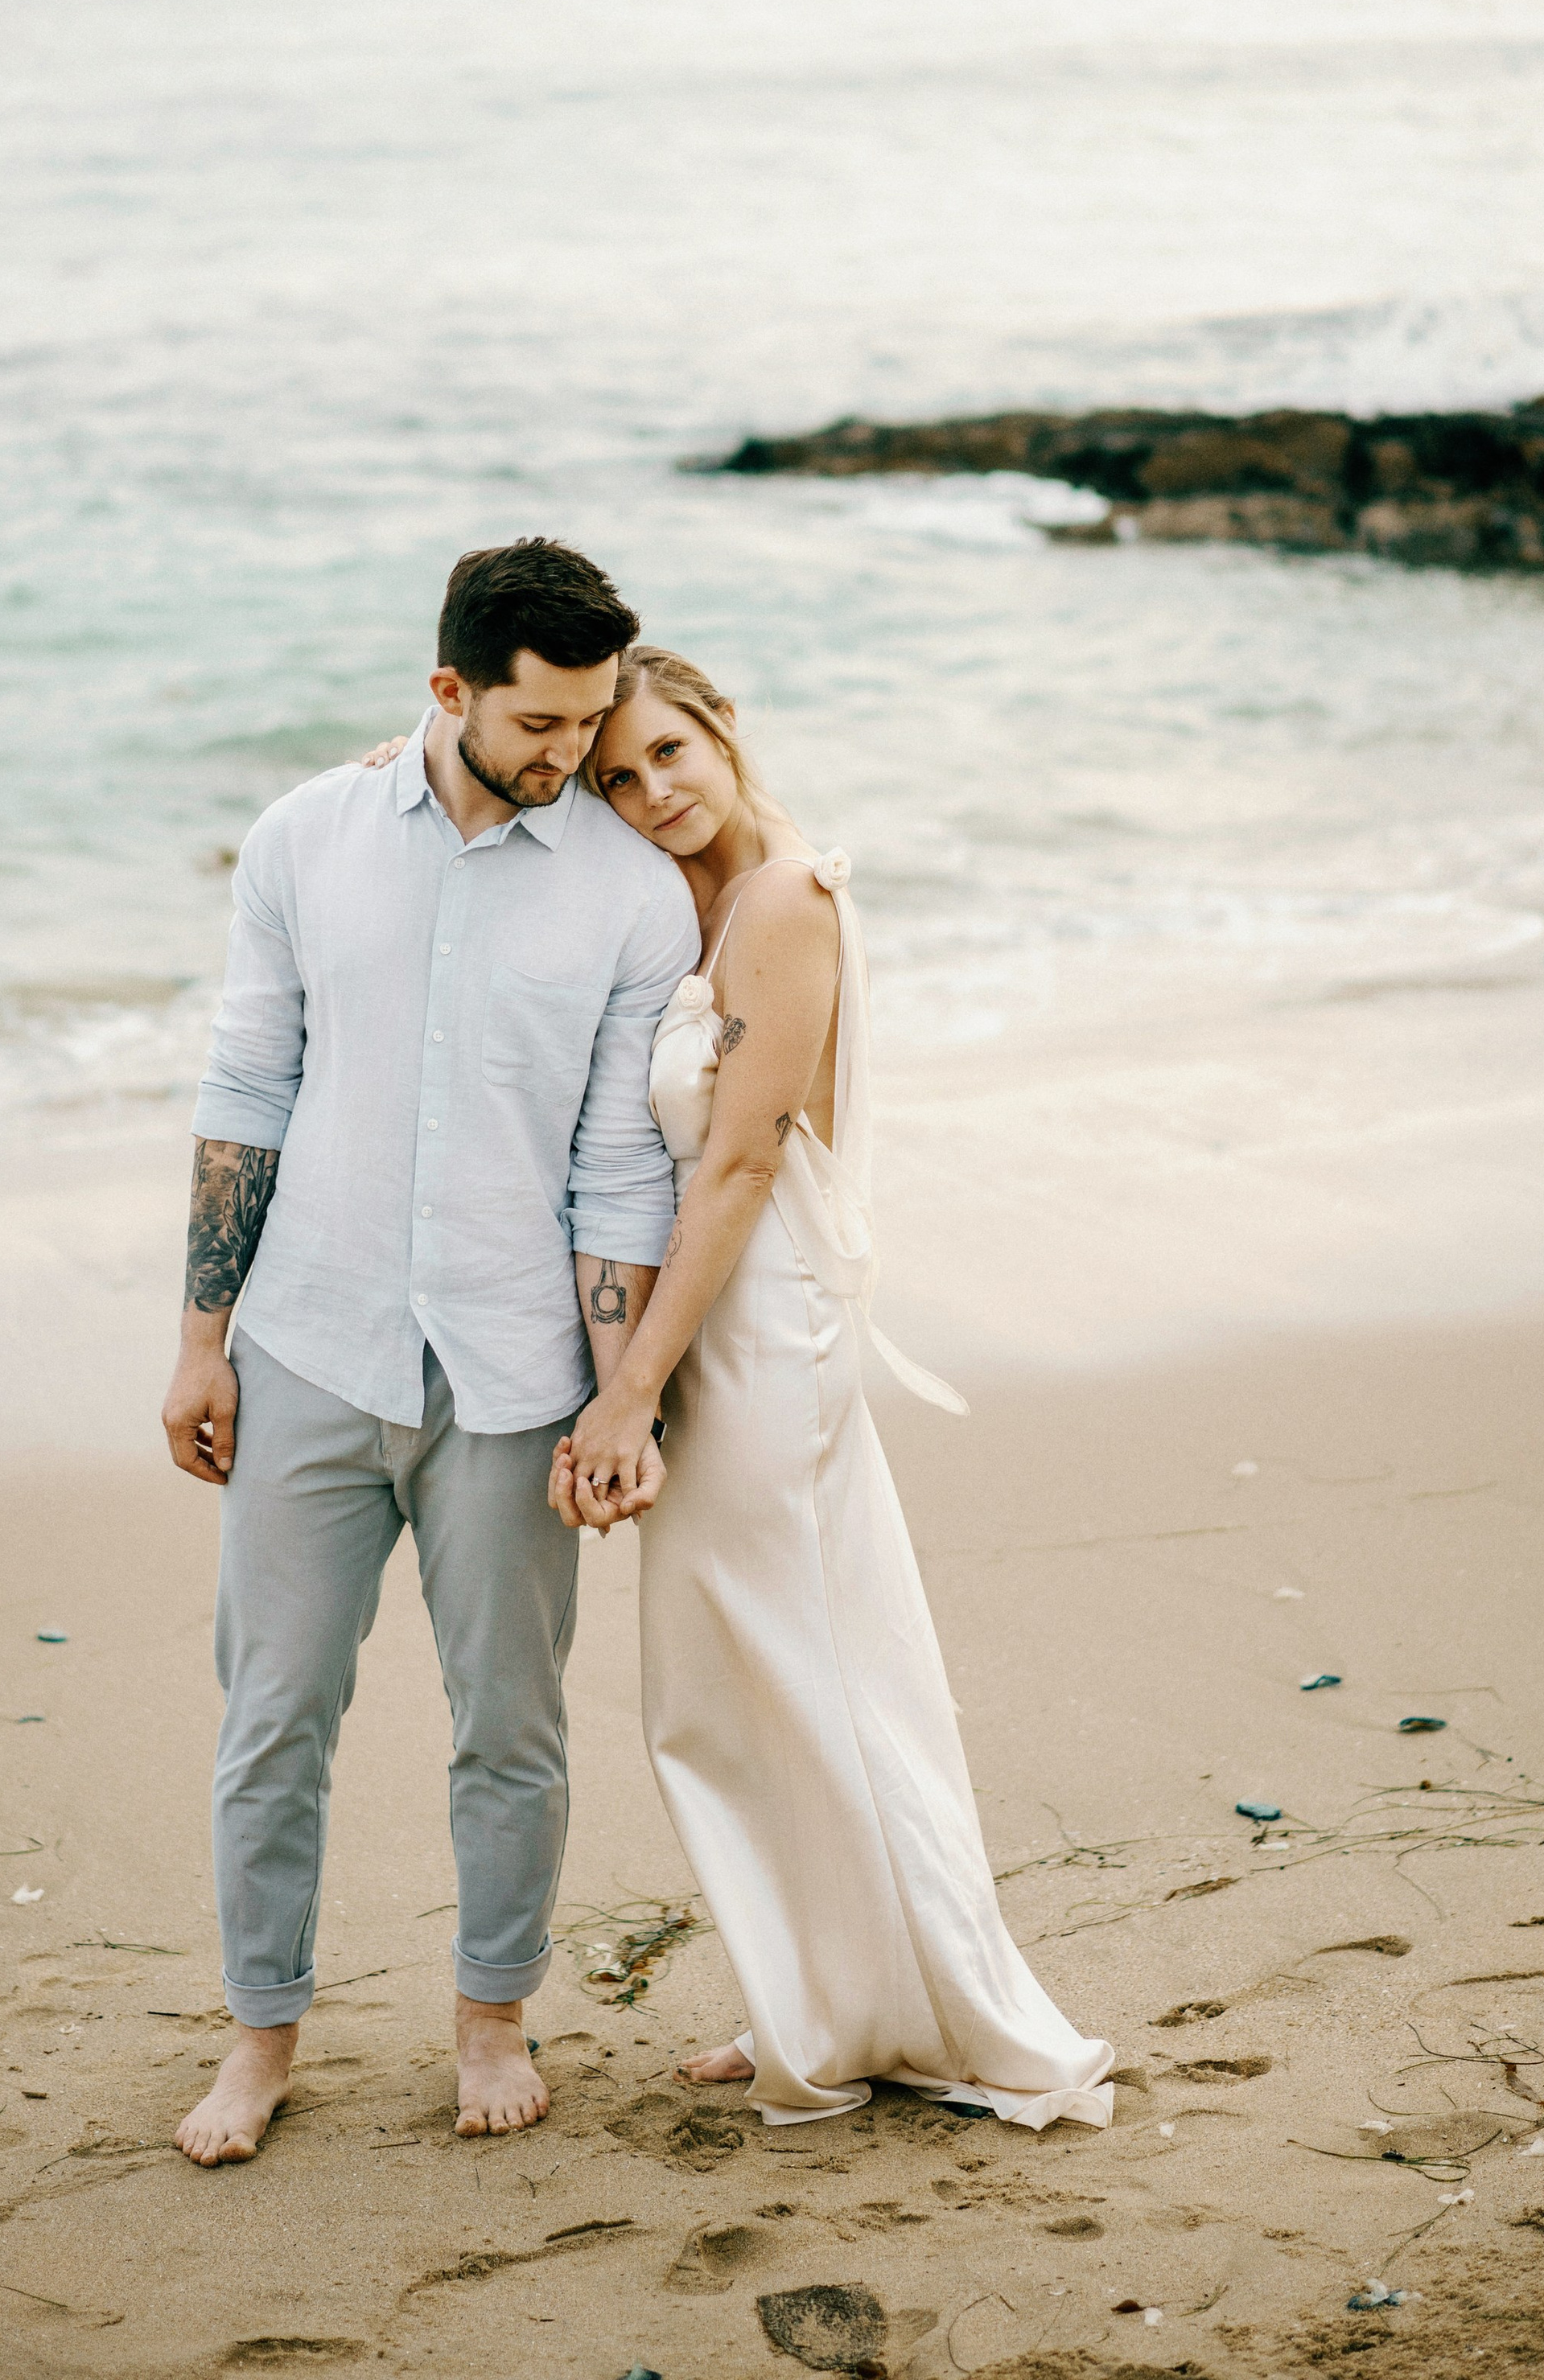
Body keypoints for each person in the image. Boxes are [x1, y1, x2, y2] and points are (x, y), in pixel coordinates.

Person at [160, 542, 698, 2161]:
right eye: (540, 724)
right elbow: (246, 1092)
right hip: (310, 1348)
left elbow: (618, 1171)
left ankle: (490, 2018)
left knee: (510, 1727)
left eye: (594, 720)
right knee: (271, 1715)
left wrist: (618, 1396)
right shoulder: (303, 839)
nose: (571, 758)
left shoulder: (629, 890)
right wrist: (201, 1343)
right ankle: (260, 2039)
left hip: (510, 1381)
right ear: (449, 689)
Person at [552, 646, 1115, 2131]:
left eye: (669, 752)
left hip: (758, 1325)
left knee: (799, 1676)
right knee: (755, 1679)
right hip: (719, 1313)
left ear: (724, 729)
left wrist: (632, 1392)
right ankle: (819, 1991)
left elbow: (738, 1159)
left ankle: (899, 2007)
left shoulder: (786, 900)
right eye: (617, 776)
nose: (650, 791)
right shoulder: (707, 898)